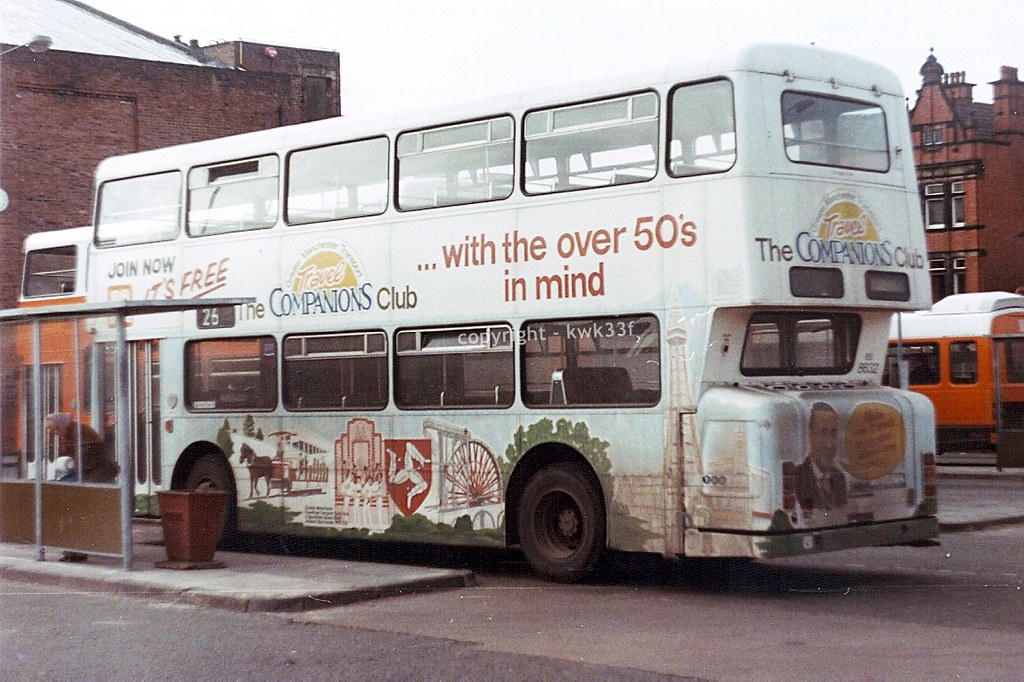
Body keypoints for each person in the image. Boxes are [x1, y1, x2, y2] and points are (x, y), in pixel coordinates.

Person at [795, 402, 848, 512]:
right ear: (811, 435)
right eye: (823, 432)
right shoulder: (797, 477)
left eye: (833, 433)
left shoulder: (839, 478)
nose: (829, 444)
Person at [45, 412, 117, 483]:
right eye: (52, 431)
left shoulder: (79, 432)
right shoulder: (66, 434)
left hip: (96, 473)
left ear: (62, 424)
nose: (55, 433)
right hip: (88, 472)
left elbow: (82, 459)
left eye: (56, 428)